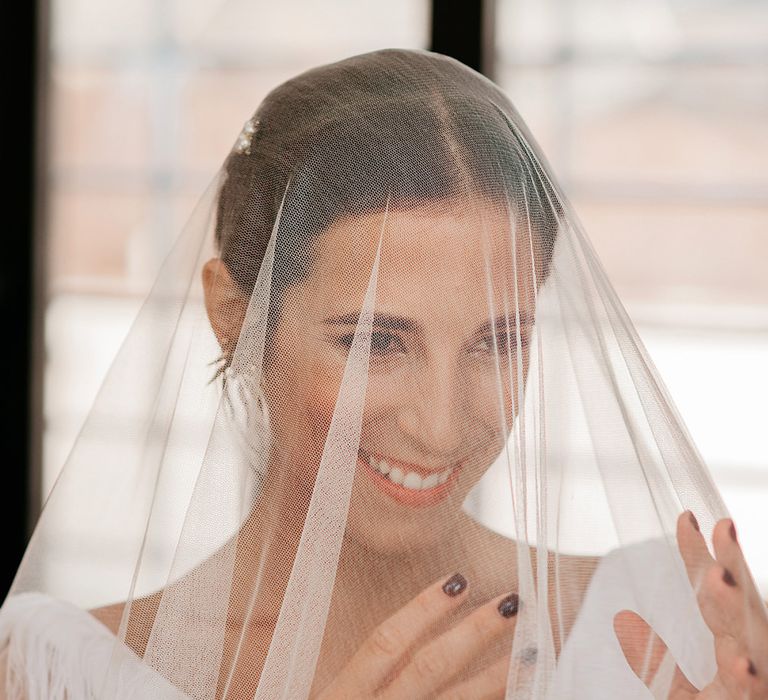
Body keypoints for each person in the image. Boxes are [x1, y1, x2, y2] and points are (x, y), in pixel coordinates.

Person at [0, 48, 766, 699]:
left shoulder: (661, 624)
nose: (441, 424)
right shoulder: (68, 673)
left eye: (497, 340)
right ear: (235, 313)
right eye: (376, 341)